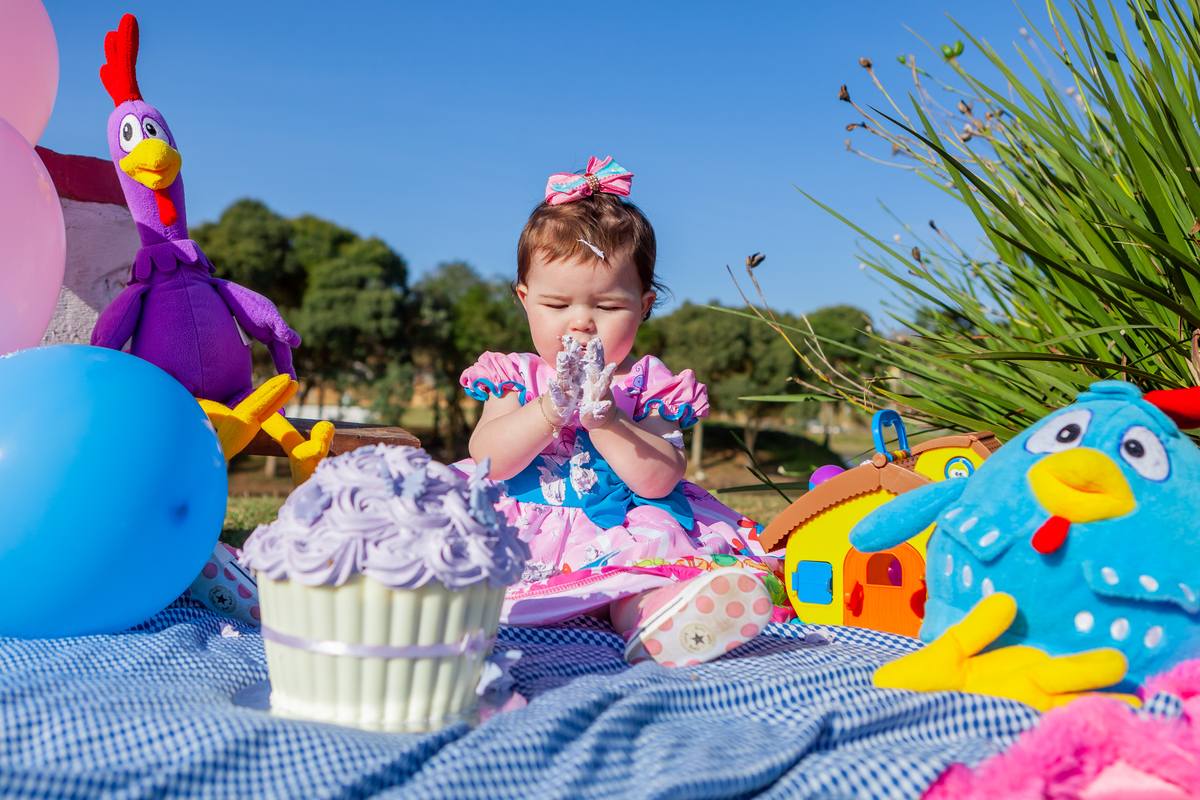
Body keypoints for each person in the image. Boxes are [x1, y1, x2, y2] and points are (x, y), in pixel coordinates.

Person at [456, 157, 790, 668]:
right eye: (557, 305)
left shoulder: (648, 385)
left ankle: (662, 621)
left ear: (644, 305)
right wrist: (547, 410)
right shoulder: (514, 376)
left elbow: (660, 478)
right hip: (523, 522)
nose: (581, 323)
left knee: (644, 572)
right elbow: (488, 459)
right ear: (524, 299)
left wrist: (609, 422)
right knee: (454, 553)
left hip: (622, 525)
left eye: (608, 307)